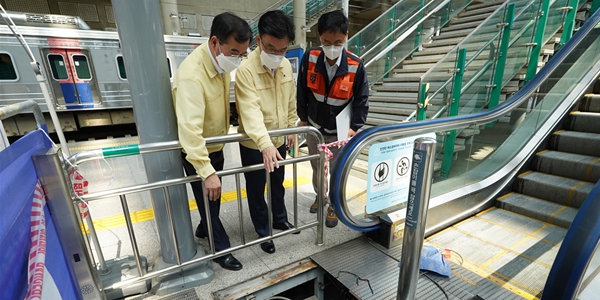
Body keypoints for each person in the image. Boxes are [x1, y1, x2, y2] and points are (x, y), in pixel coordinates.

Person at [172, 12, 252, 271]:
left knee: (213, 199)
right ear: (215, 42)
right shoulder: (192, 75)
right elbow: (189, 130)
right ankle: (221, 248)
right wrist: (206, 172)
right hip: (198, 152)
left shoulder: (220, 64)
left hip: (215, 145)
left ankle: (203, 227)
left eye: (242, 54)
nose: (237, 59)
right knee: (208, 196)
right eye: (234, 52)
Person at [296, 10, 369, 228]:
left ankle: (334, 205)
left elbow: (362, 99)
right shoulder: (310, 57)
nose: (332, 47)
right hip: (315, 127)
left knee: (337, 168)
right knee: (318, 167)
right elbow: (301, 89)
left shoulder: (356, 65)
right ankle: (321, 196)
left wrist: (354, 127)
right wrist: (303, 119)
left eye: (338, 42)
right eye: (327, 42)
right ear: (319, 36)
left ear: (346, 36)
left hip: (340, 130)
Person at [235, 10, 299, 255]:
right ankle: (262, 231)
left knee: (278, 183)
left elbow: (290, 100)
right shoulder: (245, 71)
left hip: (279, 140)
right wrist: (264, 144)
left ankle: (280, 219)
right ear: (258, 40)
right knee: (256, 189)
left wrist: (292, 127)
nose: (277, 55)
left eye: (282, 49)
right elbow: (250, 111)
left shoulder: (284, 66)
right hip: (254, 145)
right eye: (271, 48)